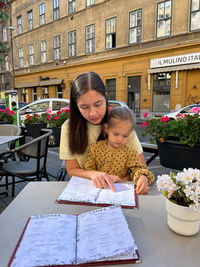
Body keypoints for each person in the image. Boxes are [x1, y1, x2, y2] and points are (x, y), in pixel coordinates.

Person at [60, 71, 149, 194]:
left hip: (121, 191)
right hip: (88, 192)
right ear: (76, 105)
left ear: (106, 97)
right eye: (85, 107)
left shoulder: (121, 122)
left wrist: (132, 179)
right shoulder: (69, 128)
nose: (93, 113)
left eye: (98, 104)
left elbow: (141, 164)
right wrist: (93, 174)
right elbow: (71, 171)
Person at [84, 106, 154, 190]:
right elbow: (89, 169)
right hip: (99, 188)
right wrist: (98, 178)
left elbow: (138, 169)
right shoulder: (95, 148)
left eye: (125, 135)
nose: (120, 139)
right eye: (116, 134)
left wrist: (143, 177)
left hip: (120, 190)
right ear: (106, 128)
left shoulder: (130, 152)